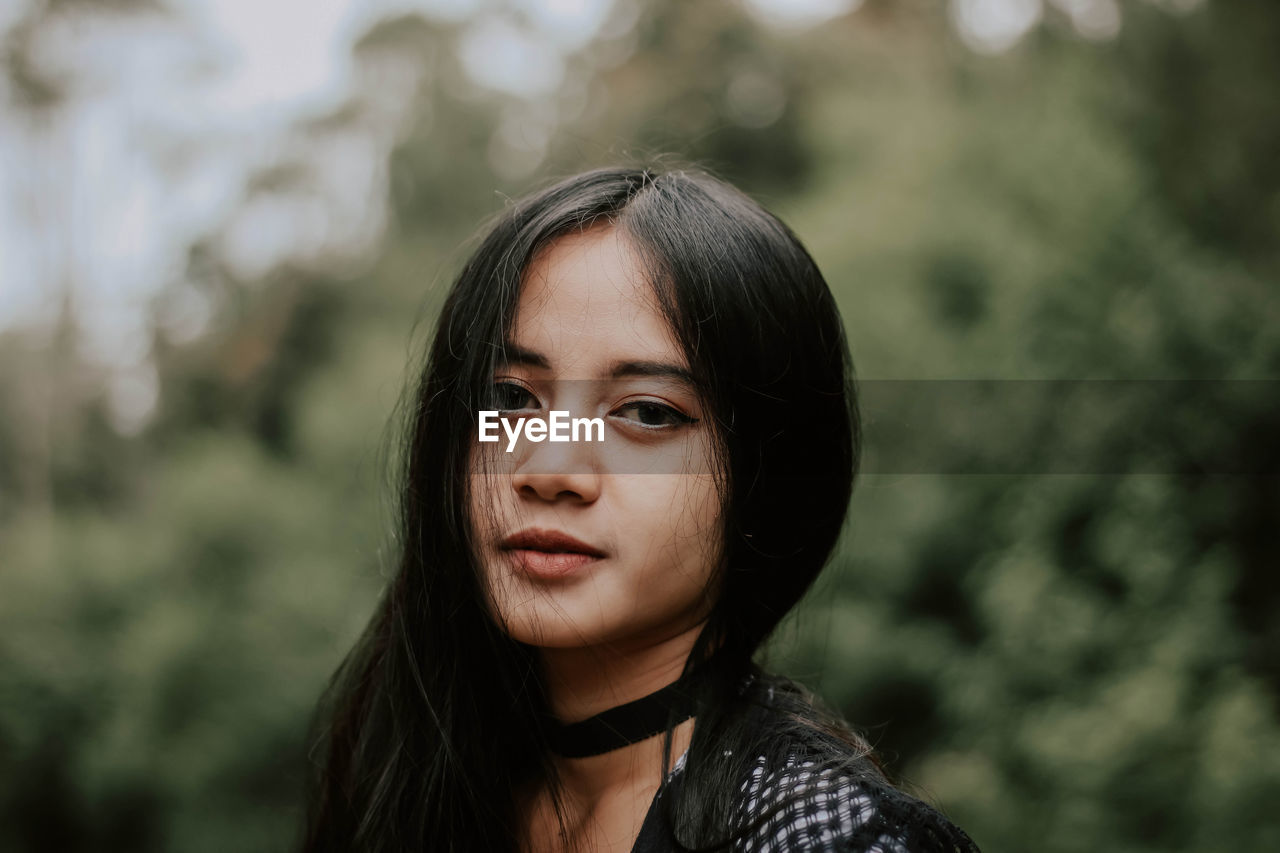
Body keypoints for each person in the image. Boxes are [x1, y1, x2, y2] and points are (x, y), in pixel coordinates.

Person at [299, 165, 980, 853]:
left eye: (647, 412)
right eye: (511, 398)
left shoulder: (821, 837)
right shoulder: (409, 782)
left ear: (765, 478)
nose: (547, 469)